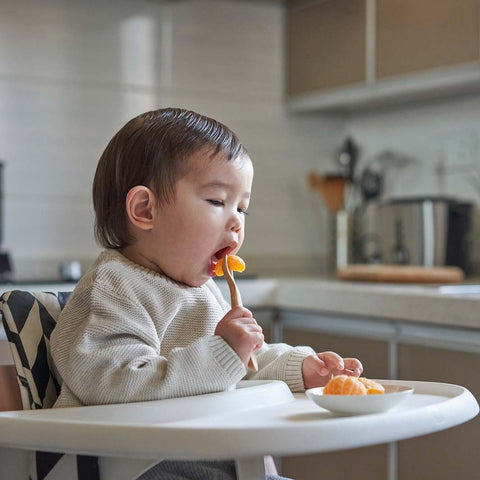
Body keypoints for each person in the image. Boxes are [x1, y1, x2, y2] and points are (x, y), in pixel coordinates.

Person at [51, 108, 363, 480]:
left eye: (242, 207)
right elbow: (115, 383)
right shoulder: (114, 288)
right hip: (135, 467)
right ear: (145, 209)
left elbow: (242, 368)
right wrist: (223, 353)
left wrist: (301, 369)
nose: (236, 221)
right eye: (217, 202)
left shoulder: (202, 290)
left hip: (214, 461)